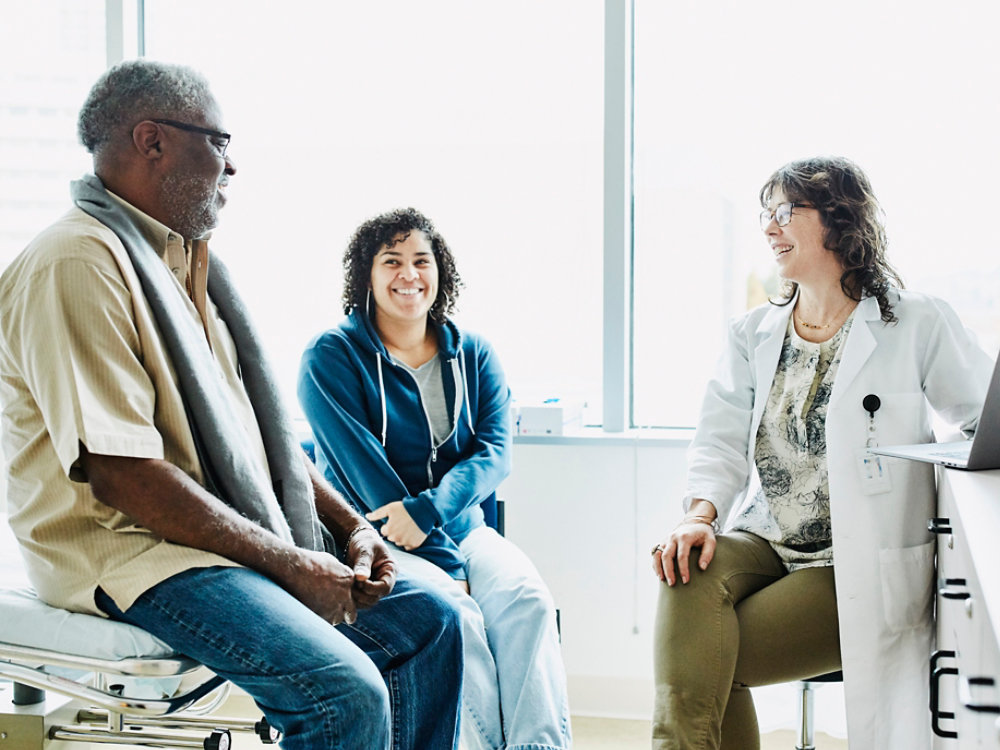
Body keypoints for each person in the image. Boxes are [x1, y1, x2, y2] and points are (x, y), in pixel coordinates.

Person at [0, 59, 463, 750]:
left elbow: (257, 444)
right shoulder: (78, 262)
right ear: (152, 141)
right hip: (137, 555)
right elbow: (123, 473)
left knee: (432, 622)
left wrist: (353, 527)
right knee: (343, 694)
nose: (232, 166)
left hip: (208, 539)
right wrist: (292, 564)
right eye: (217, 142)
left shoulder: (188, 270)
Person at [649, 156, 994, 749]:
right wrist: (698, 516)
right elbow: (719, 439)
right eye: (765, 214)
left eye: (785, 211)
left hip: (853, 559)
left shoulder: (912, 322)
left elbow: (984, 419)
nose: (768, 227)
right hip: (765, 536)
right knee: (684, 568)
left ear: (838, 220)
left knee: (704, 661)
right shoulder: (752, 333)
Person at [298, 208, 572, 750]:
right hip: (375, 540)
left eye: (421, 260)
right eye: (391, 261)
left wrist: (432, 517)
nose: (409, 274)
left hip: (462, 529)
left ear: (440, 271)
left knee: (526, 601)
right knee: (458, 617)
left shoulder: (473, 353)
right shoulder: (330, 357)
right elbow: (366, 476)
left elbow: (494, 453)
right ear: (366, 275)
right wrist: (445, 562)